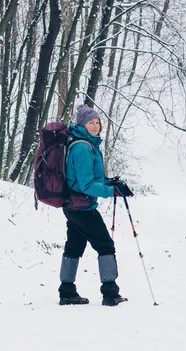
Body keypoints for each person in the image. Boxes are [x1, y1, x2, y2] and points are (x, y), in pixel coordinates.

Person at [58, 104, 134, 306]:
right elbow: (86, 185)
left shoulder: (87, 144)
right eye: (90, 122)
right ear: (82, 124)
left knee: (74, 246)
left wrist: (110, 182)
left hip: (73, 205)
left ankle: (67, 291)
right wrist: (112, 191)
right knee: (105, 245)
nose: (95, 125)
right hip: (82, 207)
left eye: (97, 121)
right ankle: (110, 293)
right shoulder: (83, 147)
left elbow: (88, 179)